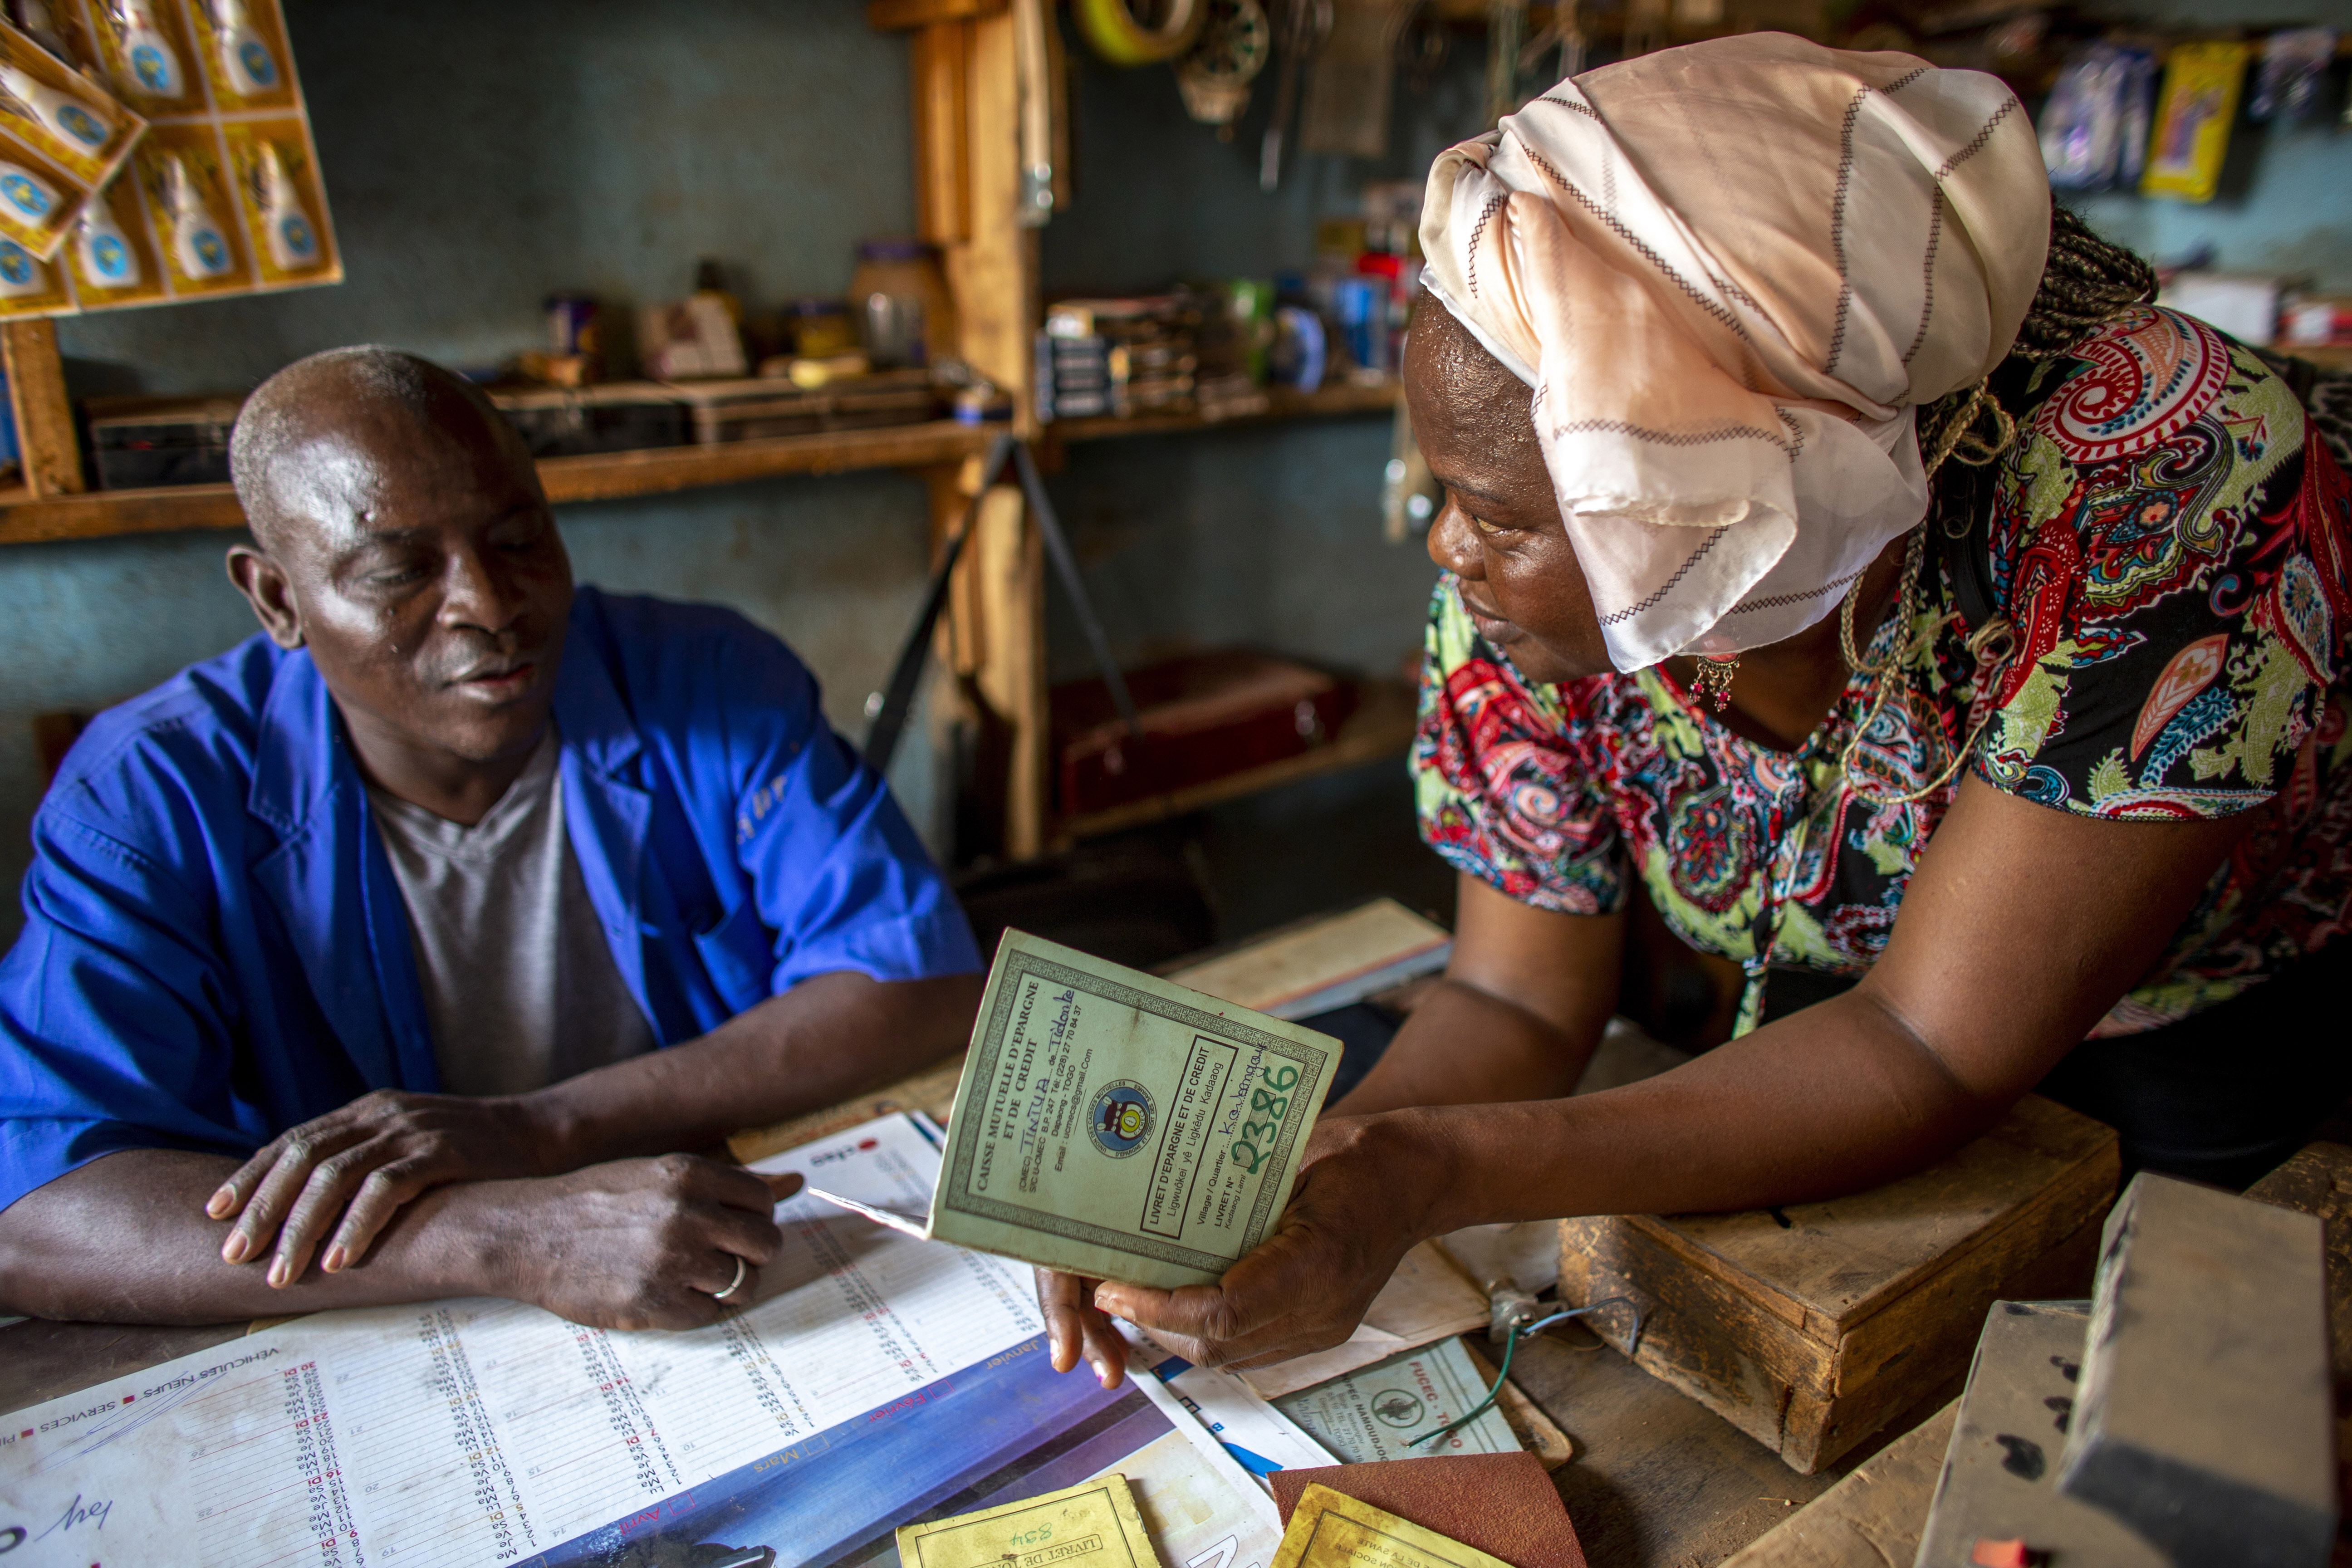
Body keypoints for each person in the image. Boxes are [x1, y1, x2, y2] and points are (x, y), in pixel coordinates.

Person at [1039, 35, 2352, 1386]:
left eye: (1494, 514)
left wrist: (1430, 1170)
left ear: (1723, 503)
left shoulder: (2161, 475)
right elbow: (1514, 993)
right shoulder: (1527, 582)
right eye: (1448, 495)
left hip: (2205, 1007)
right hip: (1856, 1032)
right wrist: (1287, 1192)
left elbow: (1928, 1041)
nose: (1446, 549)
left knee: (2173, 1403)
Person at [0, 348, 984, 1329]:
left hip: (702, 1266)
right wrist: (498, 1234)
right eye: (399, 571)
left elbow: (917, 983)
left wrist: (538, 1130)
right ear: (277, 600)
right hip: (389, 1327)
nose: (491, 605)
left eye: (518, 539)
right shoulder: (149, 794)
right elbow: (39, 1217)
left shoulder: (708, 680)